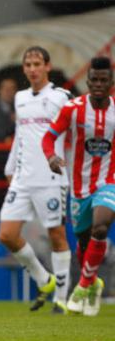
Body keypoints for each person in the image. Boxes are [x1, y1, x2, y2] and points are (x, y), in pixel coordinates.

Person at [0, 46, 72, 314]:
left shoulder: (62, 97)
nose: (32, 69)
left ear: (47, 67)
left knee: (57, 235)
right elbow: (21, 134)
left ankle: (62, 299)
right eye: (27, 64)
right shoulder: (20, 97)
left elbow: (75, 130)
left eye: (37, 64)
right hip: (23, 177)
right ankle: (45, 279)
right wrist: (10, 166)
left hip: (51, 178)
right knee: (6, 234)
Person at [41, 57, 114, 317]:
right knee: (83, 243)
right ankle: (94, 284)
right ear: (88, 81)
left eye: (103, 80)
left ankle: (82, 287)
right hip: (79, 186)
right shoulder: (74, 109)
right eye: (94, 79)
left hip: (109, 181)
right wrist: (50, 157)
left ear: (111, 82)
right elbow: (49, 137)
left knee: (101, 225)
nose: (98, 84)